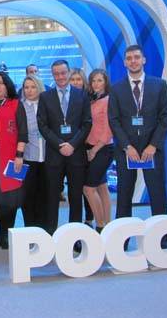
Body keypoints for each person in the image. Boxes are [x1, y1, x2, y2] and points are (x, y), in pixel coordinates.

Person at [108, 44, 167, 248]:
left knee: (157, 193)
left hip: (152, 150)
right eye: (129, 58)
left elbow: (165, 118)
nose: (133, 61)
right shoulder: (116, 88)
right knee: (124, 195)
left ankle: (164, 238)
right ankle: (122, 241)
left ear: (144, 60)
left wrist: (153, 145)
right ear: (124, 62)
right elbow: (114, 121)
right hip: (127, 151)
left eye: (136, 57)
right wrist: (127, 146)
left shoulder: (159, 85)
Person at [37, 60, 91, 238]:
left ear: (69, 73)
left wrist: (72, 144)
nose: (60, 77)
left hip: (76, 154)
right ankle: (50, 233)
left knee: (76, 196)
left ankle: (74, 236)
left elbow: (86, 124)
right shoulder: (45, 97)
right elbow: (43, 125)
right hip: (55, 154)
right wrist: (60, 144)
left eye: (63, 73)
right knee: (52, 196)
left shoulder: (81, 95)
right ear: (52, 75)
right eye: (56, 74)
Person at [0, 71, 28, 249]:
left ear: (7, 85)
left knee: (10, 198)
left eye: (1, 83)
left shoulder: (16, 104)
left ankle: (9, 232)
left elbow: (23, 133)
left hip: (11, 159)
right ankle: (1, 232)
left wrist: (19, 156)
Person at [83, 69, 114, 233]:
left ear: (105, 82)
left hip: (102, 148)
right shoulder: (92, 100)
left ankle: (101, 225)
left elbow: (109, 129)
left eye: (99, 80)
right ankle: (108, 225)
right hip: (90, 147)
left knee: (88, 188)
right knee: (101, 187)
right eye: (93, 80)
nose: (96, 84)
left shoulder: (108, 101)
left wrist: (94, 150)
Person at [68, 67, 94, 226]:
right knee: (77, 188)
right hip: (72, 147)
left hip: (89, 147)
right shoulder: (65, 98)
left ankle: (90, 218)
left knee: (88, 186)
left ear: (83, 81)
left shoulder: (90, 98)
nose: (76, 82)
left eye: (78, 79)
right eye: (72, 79)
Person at [20, 75, 46, 227]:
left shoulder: (47, 104)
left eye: (33, 87)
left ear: (39, 87)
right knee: (28, 197)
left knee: (45, 196)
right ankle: (29, 229)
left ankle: (44, 230)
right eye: (26, 87)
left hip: (47, 158)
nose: (29, 90)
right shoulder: (20, 107)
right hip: (28, 158)